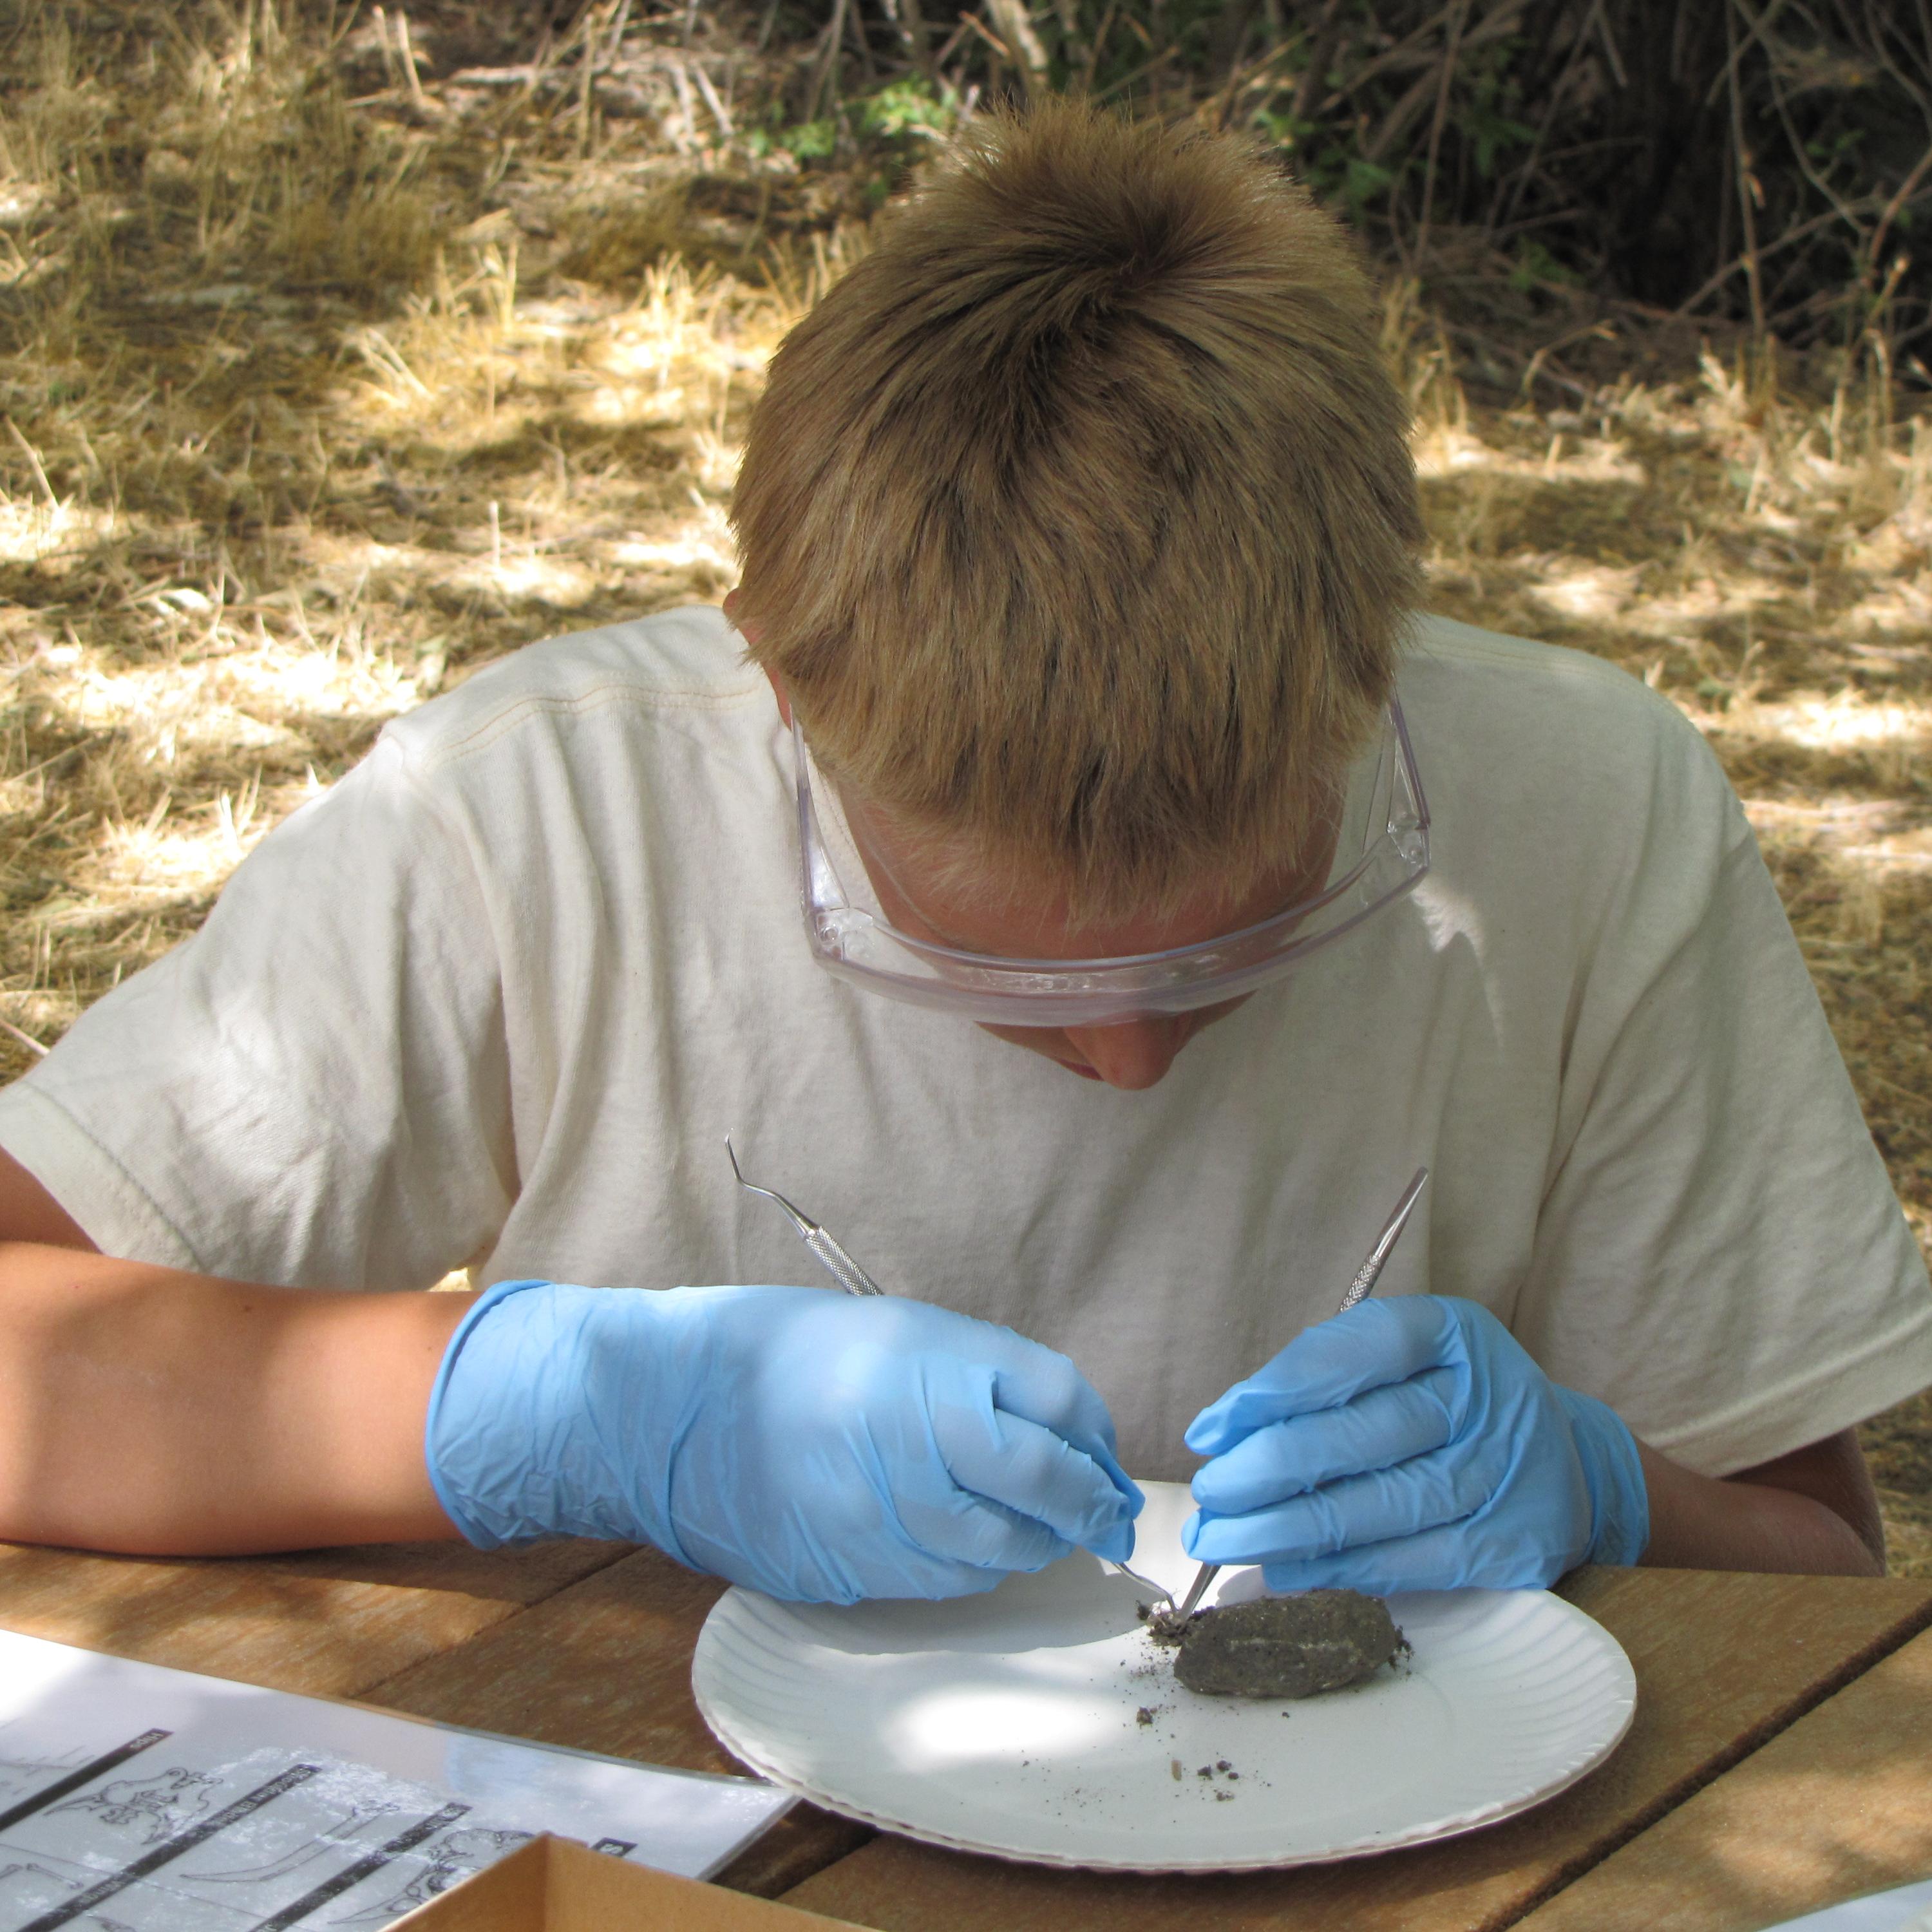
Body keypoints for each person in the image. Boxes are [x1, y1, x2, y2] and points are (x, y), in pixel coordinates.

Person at [0, 101, 1924, 1601]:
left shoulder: (1591, 814)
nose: (1131, 1064)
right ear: (785, 689)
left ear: (1375, 682)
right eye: (998, 978)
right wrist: (553, 1412)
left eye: (1238, 948)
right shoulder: (545, 821)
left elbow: (1821, 1569)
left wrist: (1595, 1490)